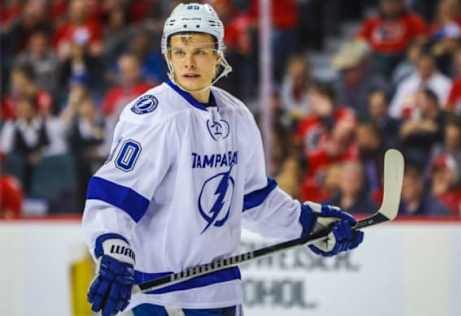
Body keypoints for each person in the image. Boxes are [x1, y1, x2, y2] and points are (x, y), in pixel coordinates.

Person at [82, 4, 364, 316]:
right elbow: (113, 198)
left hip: (219, 293)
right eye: (180, 51)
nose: (189, 62)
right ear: (168, 56)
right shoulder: (153, 117)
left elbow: (253, 200)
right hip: (159, 298)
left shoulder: (238, 115)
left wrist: (308, 224)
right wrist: (114, 251)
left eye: (201, 51)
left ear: (218, 55)